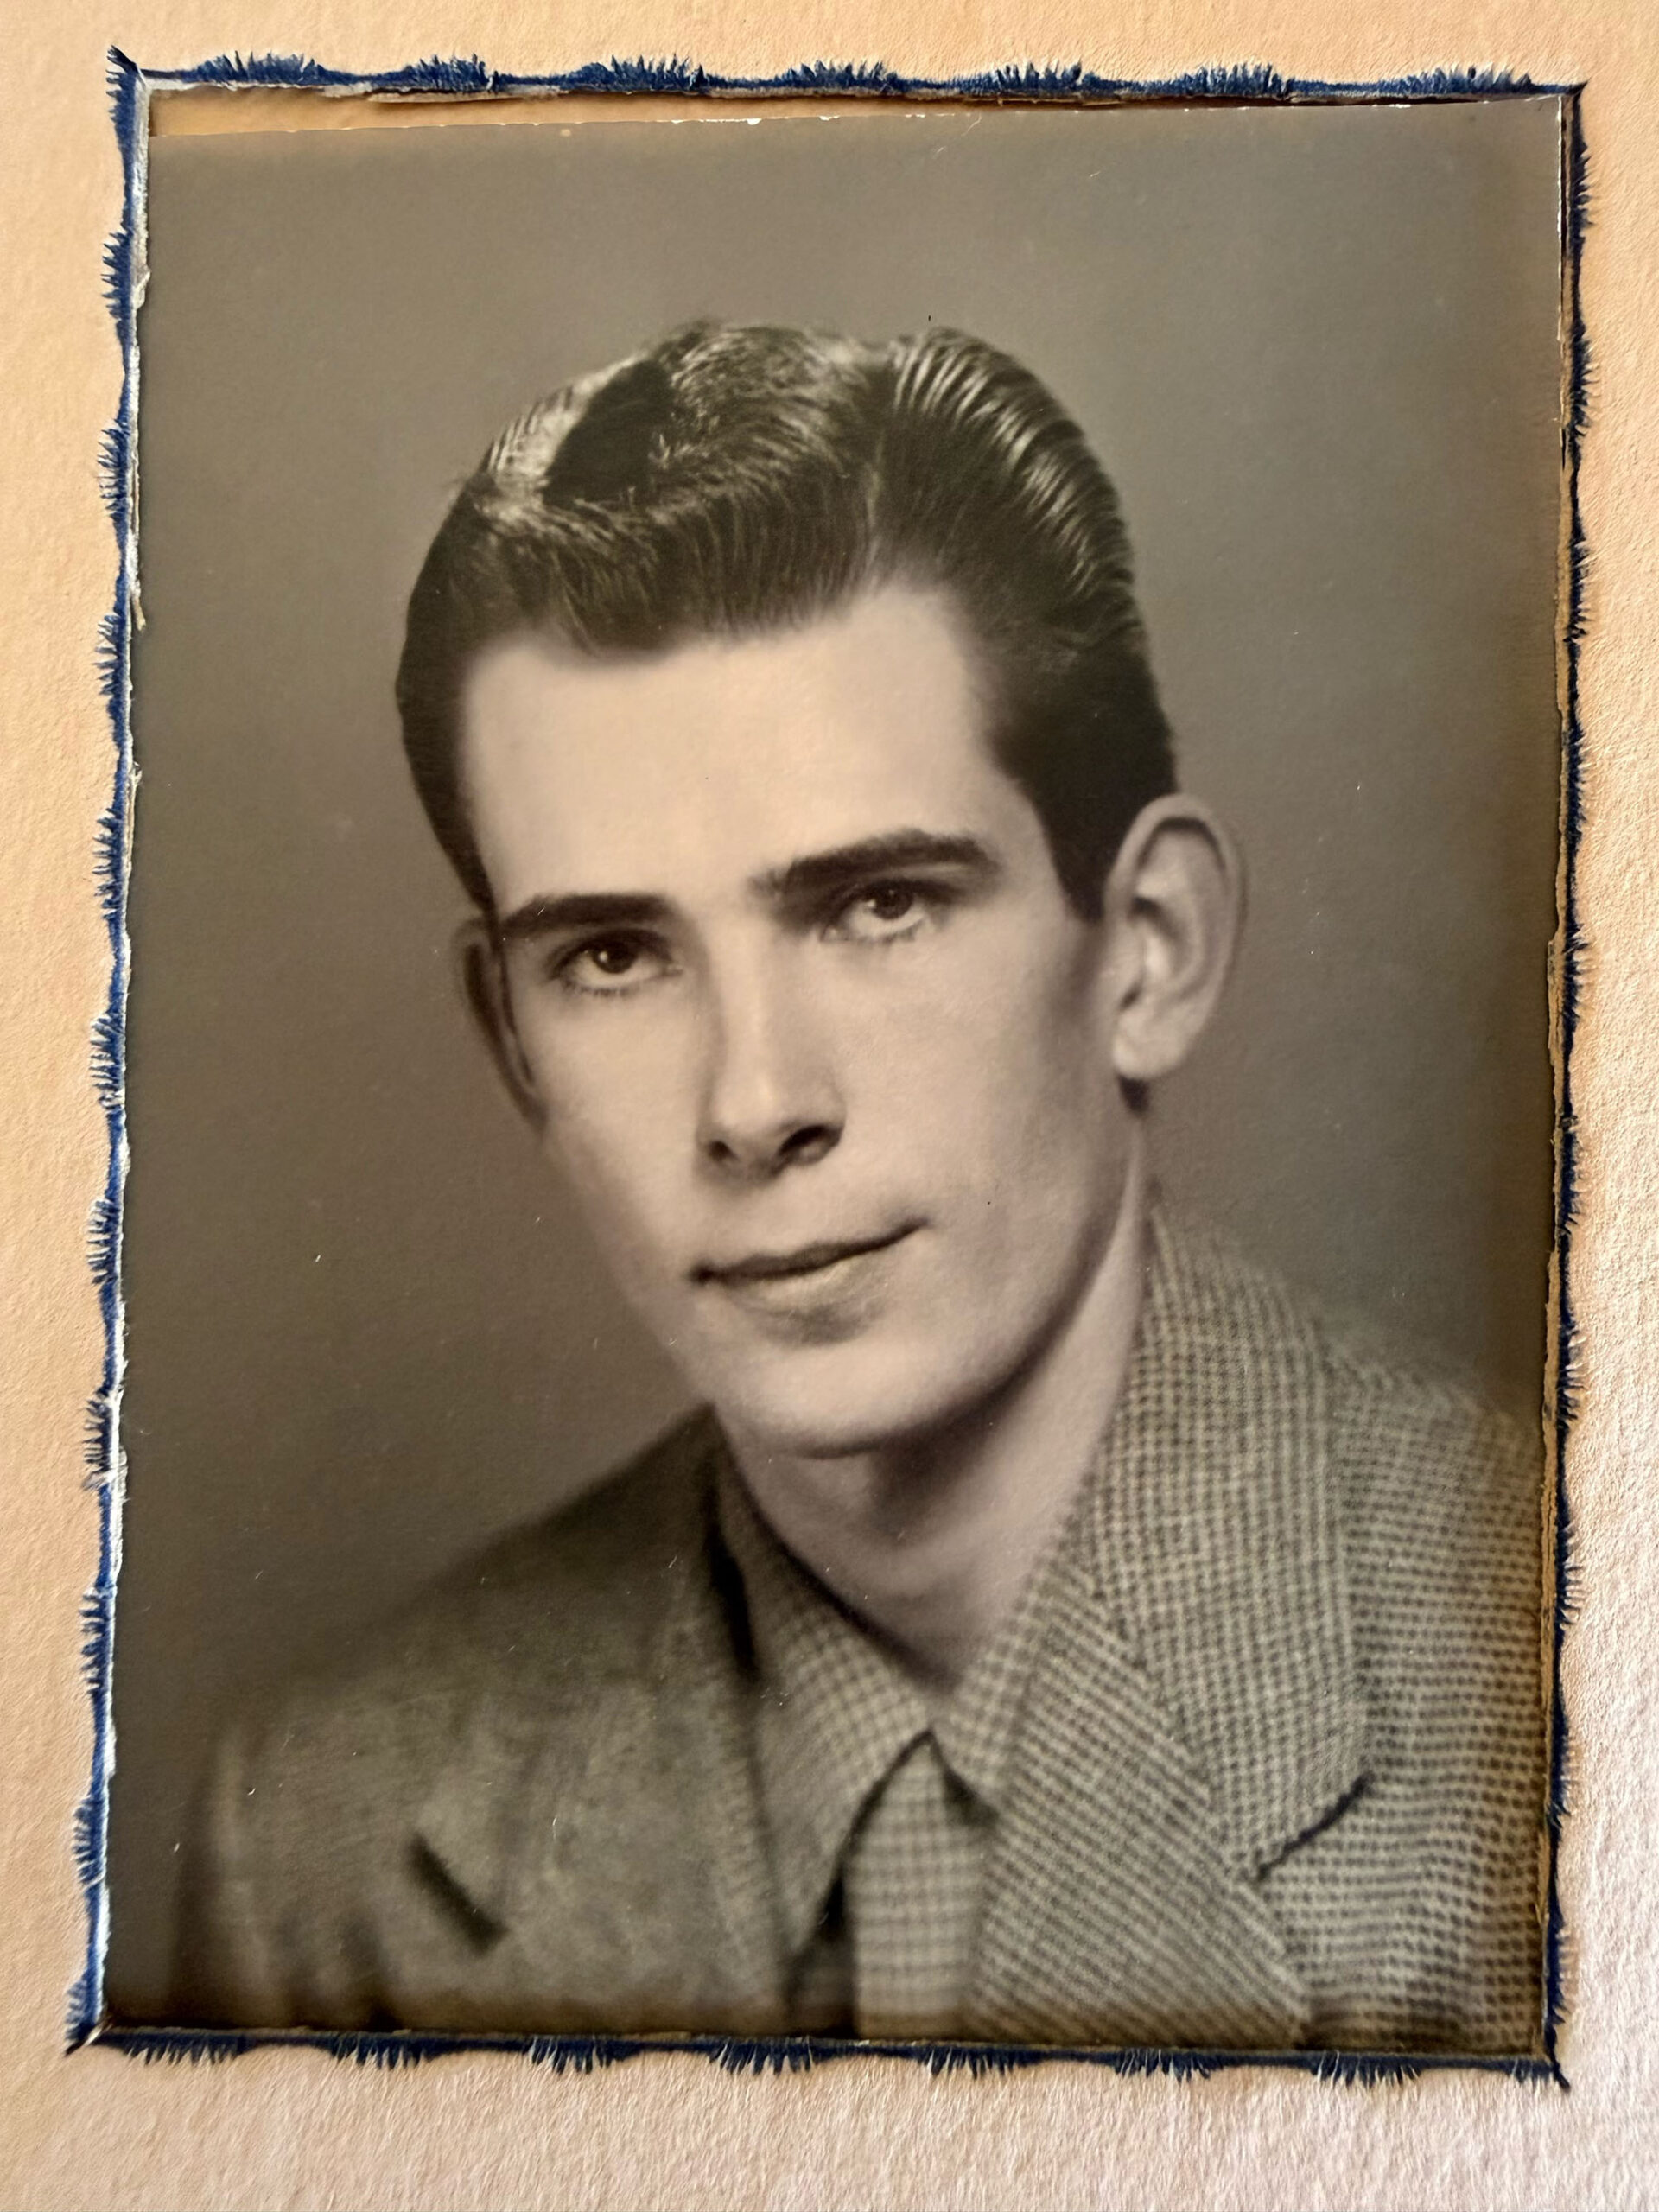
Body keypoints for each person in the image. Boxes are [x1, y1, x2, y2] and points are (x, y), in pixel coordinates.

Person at [174, 321, 1546, 2051]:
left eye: (878, 907)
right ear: (512, 1039)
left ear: (1149, 947)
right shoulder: (322, 1842)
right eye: (612, 955)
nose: (755, 1104)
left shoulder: (1567, 1683)